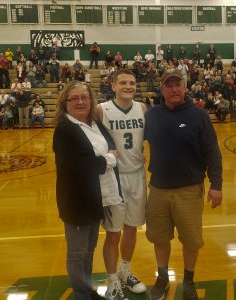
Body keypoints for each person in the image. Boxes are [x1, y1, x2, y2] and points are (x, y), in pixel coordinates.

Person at [144, 70, 223, 300]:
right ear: (162, 89)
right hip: (158, 189)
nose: (174, 89)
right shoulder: (152, 116)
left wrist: (216, 184)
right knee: (159, 238)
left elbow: (213, 153)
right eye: (169, 86)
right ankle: (162, 278)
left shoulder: (199, 116)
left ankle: (188, 281)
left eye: (178, 85)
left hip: (189, 190)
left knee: (191, 240)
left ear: (185, 87)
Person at [53, 81, 120, 300]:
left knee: (89, 250)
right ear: (65, 103)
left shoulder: (94, 122)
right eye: (75, 98)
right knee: (77, 252)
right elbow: (86, 165)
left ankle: (88, 291)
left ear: (91, 101)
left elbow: (110, 143)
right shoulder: (65, 130)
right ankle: (81, 294)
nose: (81, 102)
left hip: (94, 199)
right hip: (76, 203)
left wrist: (104, 157)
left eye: (85, 97)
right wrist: (109, 159)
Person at [96, 69, 147, 300]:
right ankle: (112, 281)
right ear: (113, 86)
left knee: (132, 227)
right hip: (113, 176)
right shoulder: (101, 110)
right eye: (123, 83)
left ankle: (125, 271)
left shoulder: (143, 108)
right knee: (113, 232)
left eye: (132, 83)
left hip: (137, 174)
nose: (129, 86)